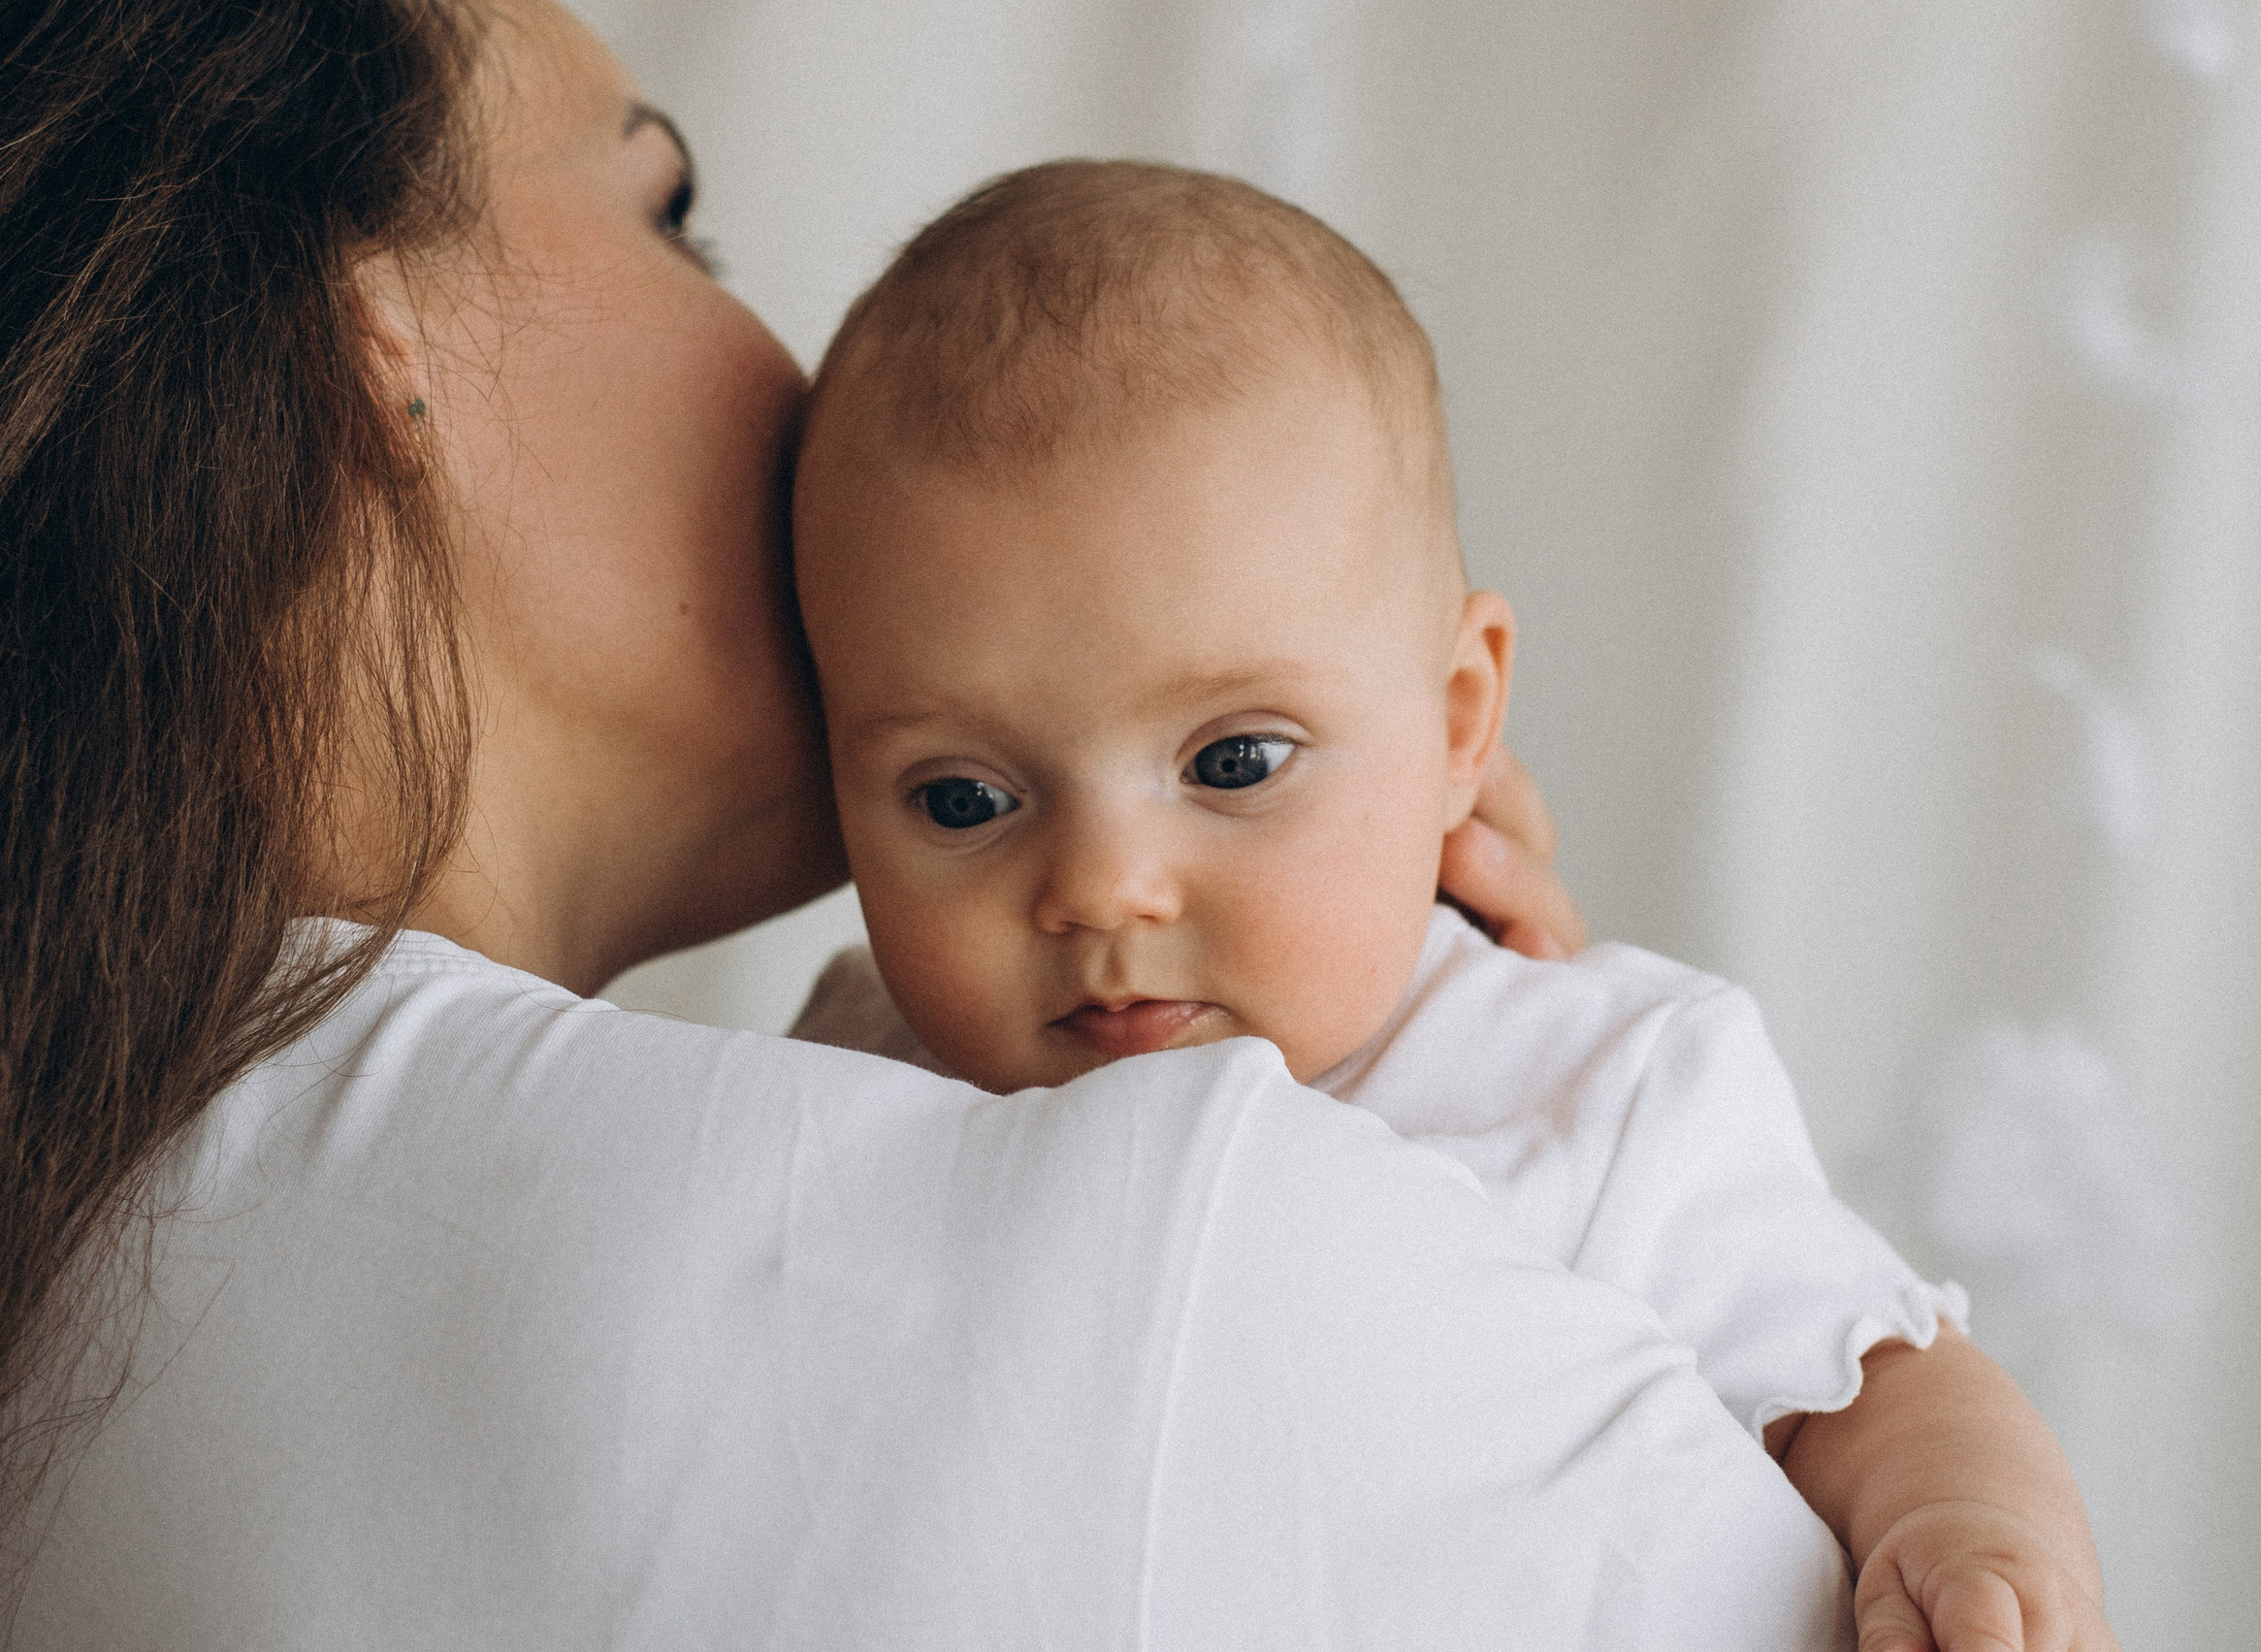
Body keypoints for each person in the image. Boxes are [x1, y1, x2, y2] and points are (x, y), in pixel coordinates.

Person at [0, 2, 1862, 1649]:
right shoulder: (1185, 1245)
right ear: (369, 349)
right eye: (678, 223)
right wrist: (1514, 1207)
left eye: (1235, 760)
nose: (800, 385)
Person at [784, 161, 2119, 1652]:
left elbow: (1868, 1376)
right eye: (963, 798)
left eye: (1233, 760)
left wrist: (1965, 1527)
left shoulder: (1597, 1085)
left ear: (1459, 720)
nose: (1102, 886)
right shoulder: (850, 1073)